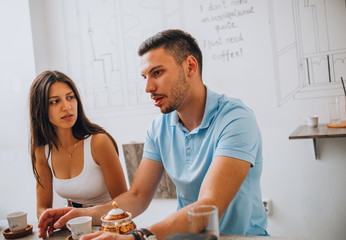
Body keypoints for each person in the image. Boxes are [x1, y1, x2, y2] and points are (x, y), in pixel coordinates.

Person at [37, 30, 268, 239]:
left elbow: (210, 206)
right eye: (145, 77)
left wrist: (138, 237)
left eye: (157, 73)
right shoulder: (159, 128)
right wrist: (82, 213)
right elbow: (137, 196)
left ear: (190, 66)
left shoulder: (236, 119)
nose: (148, 87)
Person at [29, 70, 127, 219]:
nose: (67, 106)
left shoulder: (99, 142)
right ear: (41, 110)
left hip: (109, 223)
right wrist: (49, 217)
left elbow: (124, 203)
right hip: (75, 226)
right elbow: (42, 207)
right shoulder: (42, 150)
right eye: (55, 101)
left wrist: (81, 215)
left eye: (70, 97)